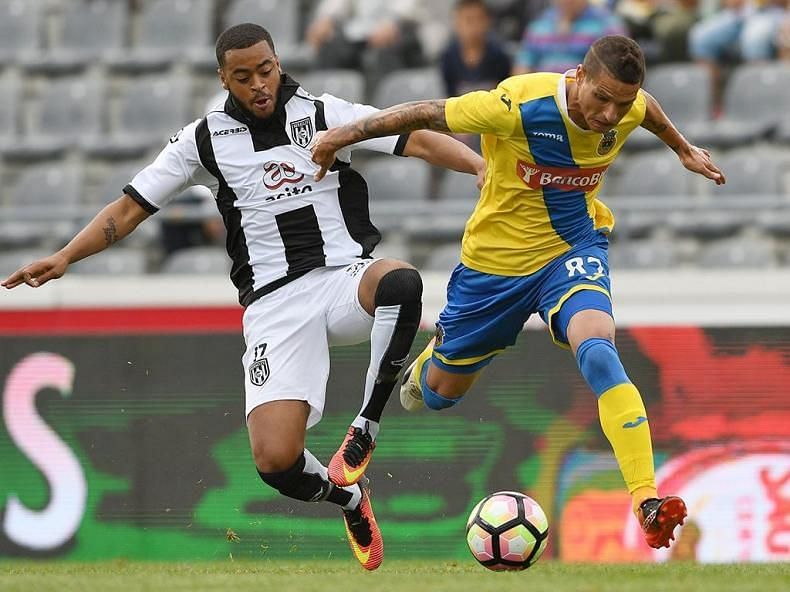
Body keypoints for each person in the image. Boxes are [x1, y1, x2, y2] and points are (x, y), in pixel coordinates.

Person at [1, 24, 484, 570]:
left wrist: (479, 165)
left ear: (278, 63)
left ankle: (364, 427)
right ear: (222, 78)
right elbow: (130, 207)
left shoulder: (324, 113)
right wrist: (65, 256)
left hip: (342, 279)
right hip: (274, 305)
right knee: (276, 463)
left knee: (401, 281)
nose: (259, 84)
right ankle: (349, 497)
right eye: (243, 76)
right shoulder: (202, 140)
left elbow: (412, 135)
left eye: (266, 70)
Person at [311, 35, 726, 550]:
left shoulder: (627, 105)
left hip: (571, 249)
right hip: (493, 269)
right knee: (435, 397)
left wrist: (683, 149)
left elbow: (649, 111)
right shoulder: (517, 104)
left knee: (597, 347)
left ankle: (646, 498)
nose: (611, 113)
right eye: (602, 98)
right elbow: (424, 112)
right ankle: (432, 360)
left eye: (622, 102)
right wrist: (339, 136)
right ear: (578, 76)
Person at [440, 0, 512, 151]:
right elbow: (448, 98)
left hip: (492, 124)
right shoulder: (448, 57)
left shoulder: (500, 56)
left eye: (479, 19)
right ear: (457, 22)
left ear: (488, 21)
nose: (473, 26)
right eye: (468, 20)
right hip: (461, 125)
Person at [512, 0, 625, 75]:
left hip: (585, 98)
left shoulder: (607, 24)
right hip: (542, 96)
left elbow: (615, 68)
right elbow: (523, 65)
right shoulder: (541, 23)